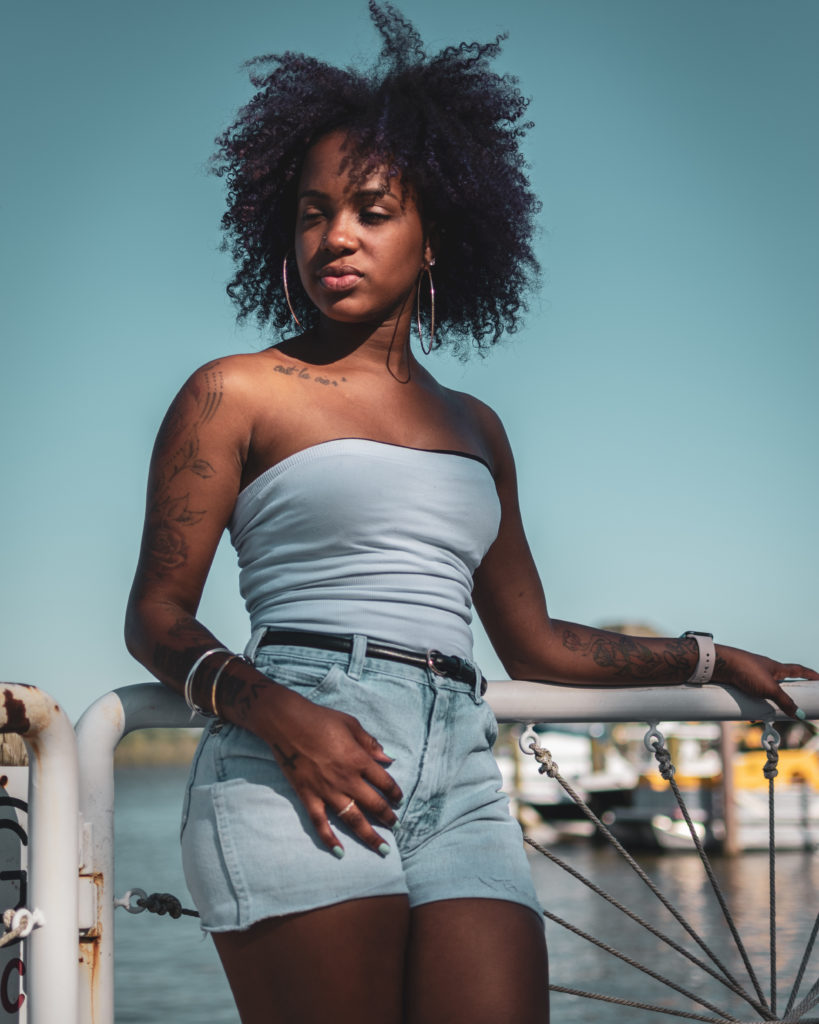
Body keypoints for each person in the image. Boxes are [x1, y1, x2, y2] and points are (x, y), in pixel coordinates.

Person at [124, 5, 818, 1022]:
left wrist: (708, 661)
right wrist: (282, 714)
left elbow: (530, 640)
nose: (337, 237)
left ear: (437, 232)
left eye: (370, 208)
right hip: (297, 744)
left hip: (464, 757)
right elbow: (155, 618)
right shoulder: (237, 392)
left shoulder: (476, 427)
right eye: (314, 212)